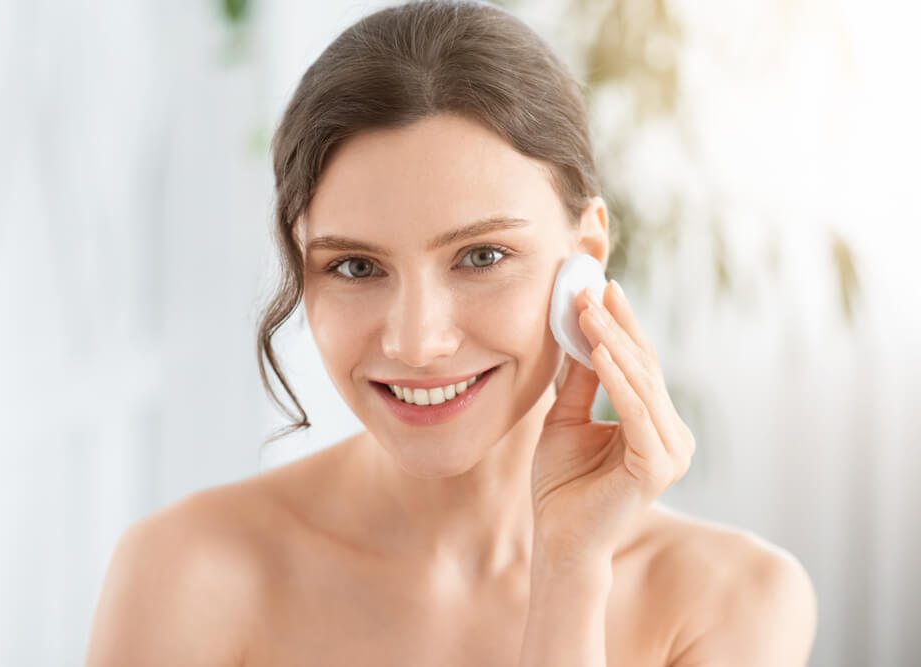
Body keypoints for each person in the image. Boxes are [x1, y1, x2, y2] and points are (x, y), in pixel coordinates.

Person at [85, 1, 817, 665]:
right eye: (356, 265)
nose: (417, 341)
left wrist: (569, 571)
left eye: (482, 256)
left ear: (586, 259)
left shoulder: (734, 602)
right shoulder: (186, 573)